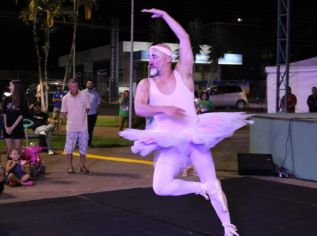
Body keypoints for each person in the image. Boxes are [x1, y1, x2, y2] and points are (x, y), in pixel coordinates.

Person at [120, 9, 252, 236]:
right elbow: (139, 108)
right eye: (150, 56)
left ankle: (228, 228)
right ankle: (201, 188)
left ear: (168, 59)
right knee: (160, 187)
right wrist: (164, 108)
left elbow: (185, 38)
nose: (150, 60)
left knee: (214, 183)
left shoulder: (184, 74)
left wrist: (164, 15)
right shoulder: (146, 84)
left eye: (155, 56)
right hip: (170, 142)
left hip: (194, 136)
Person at [61, 79, 90, 174]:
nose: (75, 88)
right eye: (73, 86)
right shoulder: (65, 98)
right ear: (69, 87)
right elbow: (63, 112)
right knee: (69, 149)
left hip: (83, 127)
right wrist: (71, 120)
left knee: (83, 148)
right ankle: (70, 167)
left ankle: (82, 166)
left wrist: (80, 117)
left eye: (76, 86)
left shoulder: (84, 96)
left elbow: (87, 108)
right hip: (71, 128)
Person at [2, 80, 29, 158]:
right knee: (9, 149)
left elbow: (21, 115)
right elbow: (4, 113)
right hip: (7, 127)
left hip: (17, 127)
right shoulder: (7, 99)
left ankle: (18, 168)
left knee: (17, 150)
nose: (9, 87)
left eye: (11, 85)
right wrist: (6, 127)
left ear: (16, 87)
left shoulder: (23, 100)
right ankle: (9, 167)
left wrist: (12, 127)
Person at [82, 79, 101, 148]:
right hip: (83, 115)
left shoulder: (95, 93)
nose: (90, 85)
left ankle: (89, 142)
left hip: (93, 114)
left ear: (93, 85)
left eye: (91, 84)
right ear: (86, 84)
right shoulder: (82, 93)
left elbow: (98, 103)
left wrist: (96, 111)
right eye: (88, 83)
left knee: (90, 129)